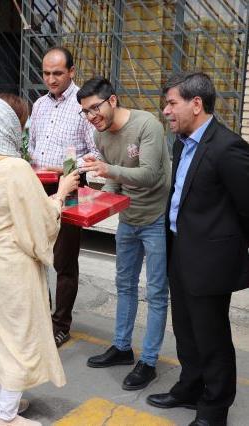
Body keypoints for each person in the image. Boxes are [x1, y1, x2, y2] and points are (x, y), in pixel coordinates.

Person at [0, 94, 79, 426]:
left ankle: (7, 402)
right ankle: (6, 417)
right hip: (12, 266)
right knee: (19, 339)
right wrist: (61, 192)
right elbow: (41, 221)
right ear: (11, 126)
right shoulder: (15, 168)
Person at [146, 72, 249, 426]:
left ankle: (214, 410)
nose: (165, 111)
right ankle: (189, 387)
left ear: (196, 104)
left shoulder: (227, 148)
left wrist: (231, 254)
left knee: (212, 338)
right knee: (186, 330)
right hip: (180, 251)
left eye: (171, 103)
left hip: (211, 262)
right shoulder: (182, 143)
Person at [77, 76, 171, 390]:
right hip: (128, 219)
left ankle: (149, 361)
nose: (92, 116)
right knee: (125, 284)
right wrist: (97, 200)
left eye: (95, 108)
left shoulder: (147, 126)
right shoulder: (100, 135)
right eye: (86, 112)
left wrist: (107, 170)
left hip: (156, 218)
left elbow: (150, 175)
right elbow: (114, 181)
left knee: (156, 293)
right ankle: (121, 347)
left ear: (113, 100)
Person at [29, 46, 101, 348]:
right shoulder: (39, 105)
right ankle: (39, 315)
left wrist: (66, 168)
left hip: (69, 186)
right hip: (38, 186)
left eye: (57, 73)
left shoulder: (83, 106)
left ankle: (60, 324)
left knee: (64, 260)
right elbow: (31, 144)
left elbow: (97, 153)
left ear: (72, 71)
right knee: (35, 252)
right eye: (46, 73)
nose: (51, 79)